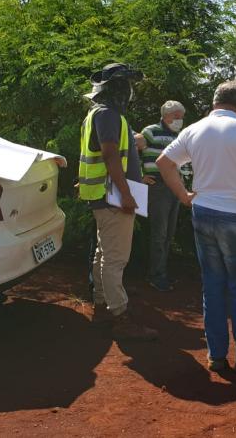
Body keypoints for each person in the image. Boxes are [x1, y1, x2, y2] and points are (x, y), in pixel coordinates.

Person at [157, 81, 236, 374]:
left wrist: (184, 196)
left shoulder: (194, 130)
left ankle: (216, 355)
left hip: (203, 213)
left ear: (214, 104)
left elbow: (164, 163)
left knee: (212, 286)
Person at [78, 63, 156, 341]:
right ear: (118, 89)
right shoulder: (109, 115)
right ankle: (120, 315)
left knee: (104, 253)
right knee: (115, 259)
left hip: (103, 195)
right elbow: (110, 156)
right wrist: (125, 193)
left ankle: (102, 303)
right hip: (112, 197)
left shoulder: (96, 114)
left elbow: (101, 156)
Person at [139, 100, 186, 292]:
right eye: (177, 117)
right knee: (159, 233)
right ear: (167, 115)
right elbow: (131, 148)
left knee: (168, 234)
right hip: (158, 188)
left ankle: (161, 272)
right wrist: (138, 176)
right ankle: (155, 275)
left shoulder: (179, 135)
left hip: (175, 187)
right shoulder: (151, 131)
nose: (180, 120)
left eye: (181, 117)